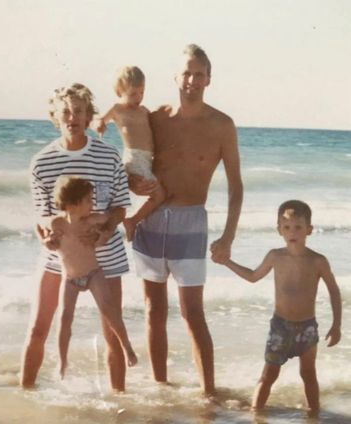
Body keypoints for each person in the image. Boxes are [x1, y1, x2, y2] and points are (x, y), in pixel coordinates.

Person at [130, 44, 244, 396]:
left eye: (199, 73)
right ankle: (160, 388)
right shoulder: (156, 118)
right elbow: (134, 166)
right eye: (186, 72)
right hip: (151, 222)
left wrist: (227, 237)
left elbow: (235, 186)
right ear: (175, 77)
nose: (192, 79)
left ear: (208, 79)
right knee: (153, 311)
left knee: (192, 313)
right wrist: (134, 185)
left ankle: (209, 394)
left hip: (191, 223)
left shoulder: (222, 125)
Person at [21, 83, 132, 392]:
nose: (72, 117)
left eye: (79, 111)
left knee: (111, 329)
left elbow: (121, 206)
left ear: (88, 116)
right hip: (59, 260)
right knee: (38, 328)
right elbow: (41, 215)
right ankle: (25, 399)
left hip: (104, 258)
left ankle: (119, 403)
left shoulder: (108, 157)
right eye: (65, 112)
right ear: (56, 117)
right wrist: (44, 237)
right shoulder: (41, 162)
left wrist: (107, 230)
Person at [217, 200, 342, 417]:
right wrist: (227, 262)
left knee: (308, 374)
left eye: (298, 227)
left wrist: (337, 324)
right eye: (286, 227)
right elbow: (253, 277)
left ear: (309, 230)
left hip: (307, 326)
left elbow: (334, 290)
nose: (292, 232)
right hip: (280, 326)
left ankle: (314, 414)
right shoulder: (275, 256)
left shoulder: (317, 260)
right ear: (278, 230)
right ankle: (256, 413)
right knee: (269, 375)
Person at [38, 176, 137, 378]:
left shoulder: (91, 220)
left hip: (94, 274)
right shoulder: (57, 223)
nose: (93, 204)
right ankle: (62, 362)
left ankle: (127, 348)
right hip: (70, 279)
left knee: (110, 310)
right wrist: (47, 241)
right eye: (88, 200)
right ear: (72, 205)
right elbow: (41, 228)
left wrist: (104, 229)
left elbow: (110, 217)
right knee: (65, 318)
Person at [92, 66, 165, 241]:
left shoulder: (144, 111)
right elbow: (99, 119)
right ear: (120, 91)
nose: (138, 98)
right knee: (159, 194)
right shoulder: (118, 109)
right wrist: (99, 124)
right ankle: (131, 220)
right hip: (135, 158)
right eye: (133, 94)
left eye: (142, 93)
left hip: (148, 159)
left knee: (158, 192)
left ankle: (121, 219)